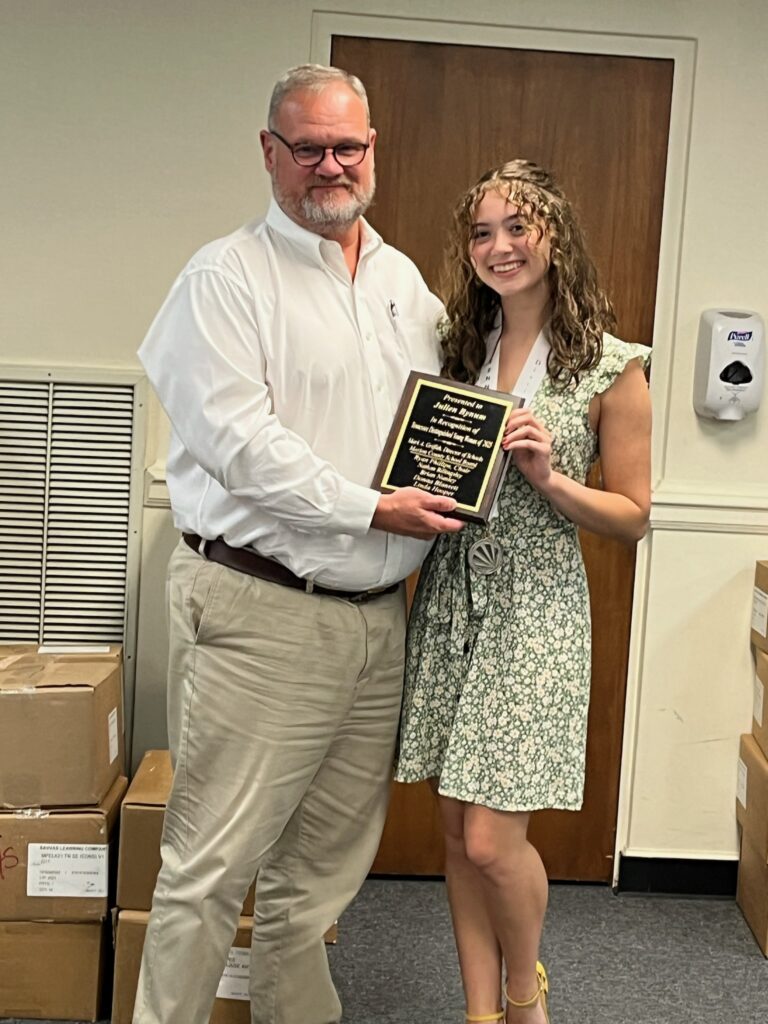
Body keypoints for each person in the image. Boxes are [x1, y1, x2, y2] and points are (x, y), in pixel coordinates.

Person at [133, 64, 463, 1024]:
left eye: (347, 146)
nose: (330, 166)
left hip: (378, 624)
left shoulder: (402, 283)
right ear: (269, 153)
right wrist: (371, 510)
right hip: (261, 612)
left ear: (373, 149)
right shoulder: (224, 279)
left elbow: (442, 419)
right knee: (210, 868)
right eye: (308, 147)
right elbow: (241, 447)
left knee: (319, 877)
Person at [395, 160, 652, 1024]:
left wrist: (551, 479)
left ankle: (522, 996)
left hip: (536, 609)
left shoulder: (609, 366)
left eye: (518, 226)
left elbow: (634, 517)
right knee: (453, 832)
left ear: (555, 235)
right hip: (451, 596)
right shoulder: (456, 352)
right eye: (482, 232)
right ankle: (479, 1014)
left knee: (491, 839)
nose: (499, 246)